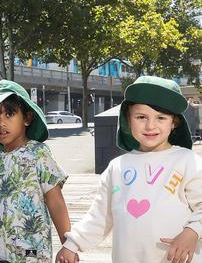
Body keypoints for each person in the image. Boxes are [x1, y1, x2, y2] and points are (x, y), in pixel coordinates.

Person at [56, 76, 202, 263]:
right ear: (127, 118)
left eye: (161, 118)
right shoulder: (116, 167)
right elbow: (100, 216)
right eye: (141, 117)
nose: (150, 125)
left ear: (174, 122)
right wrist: (72, 244)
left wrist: (192, 232)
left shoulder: (187, 161)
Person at [0, 79, 70, 262]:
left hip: (31, 253)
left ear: (27, 117)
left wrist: (68, 244)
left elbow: (55, 201)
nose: (1, 123)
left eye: (9, 114)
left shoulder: (38, 153)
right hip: (0, 252)